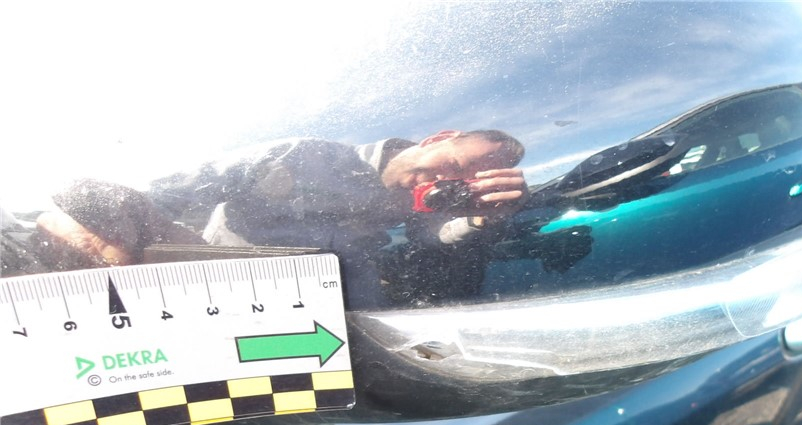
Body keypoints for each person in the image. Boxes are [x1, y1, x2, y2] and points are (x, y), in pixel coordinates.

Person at [24, 130, 527, 271]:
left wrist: (479, 218)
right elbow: (192, 184)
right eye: (455, 164)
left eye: (467, 183)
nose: (447, 181)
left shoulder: (422, 204)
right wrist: (118, 218)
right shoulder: (310, 156)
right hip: (204, 268)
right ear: (439, 138)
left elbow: (433, 239)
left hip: (310, 320)